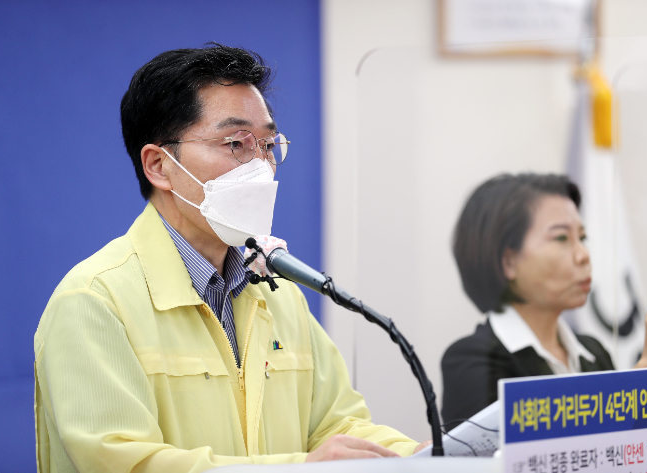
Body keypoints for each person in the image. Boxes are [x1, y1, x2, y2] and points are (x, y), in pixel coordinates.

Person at [34, 44, 427, 473]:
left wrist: (425, 456)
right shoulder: (94, 301)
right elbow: (125, 462)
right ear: (159, 166)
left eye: (268, 144)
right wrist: (300, 468)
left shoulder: (279, 294)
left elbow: (338, 426)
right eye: (236, 143)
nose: (261, 166)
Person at [440, 173, 647, 430]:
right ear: (509, 262)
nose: (584, 255)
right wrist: (646, 367)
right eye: (561, 238)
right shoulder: (472, 361)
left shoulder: (593, 353)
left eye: (582, 238)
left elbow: (622, 447)